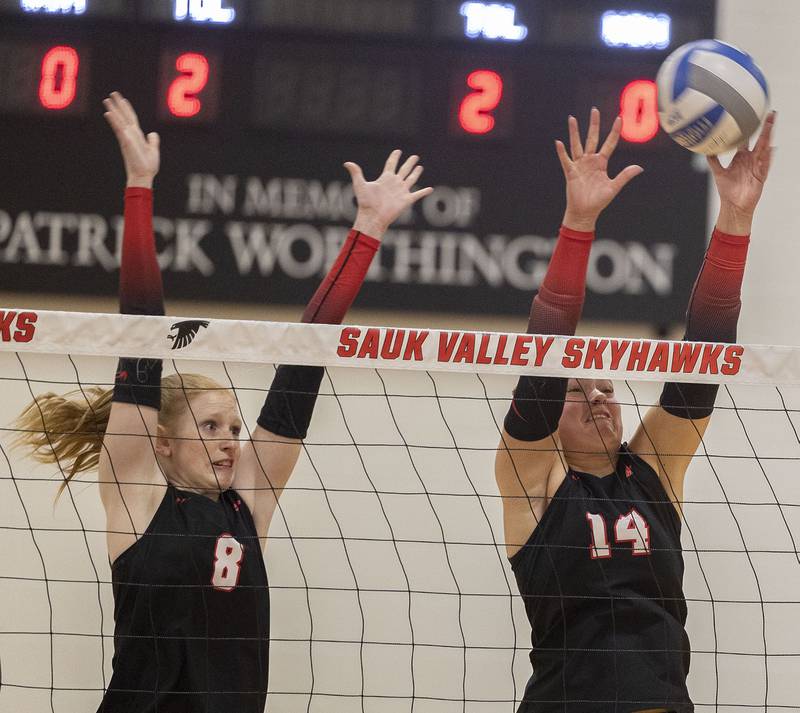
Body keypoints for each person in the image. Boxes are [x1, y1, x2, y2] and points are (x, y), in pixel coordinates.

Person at [14, 92, 433, 713]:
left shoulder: (249, 505)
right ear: (163, 442)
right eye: (210, 426)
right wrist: (138, 187)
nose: (230, 439)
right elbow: (141, 337)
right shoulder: (137, 495)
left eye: (234, 425)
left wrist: (367, 231)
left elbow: (304, 362)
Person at [495, 107, 775, 713]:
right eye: (579, 391)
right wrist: (578, 222)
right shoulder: (534, 480)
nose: (598, 396)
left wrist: (734, 220)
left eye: (605, 389)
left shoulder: (653, 472)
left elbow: (700, 365)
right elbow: (544, 354)